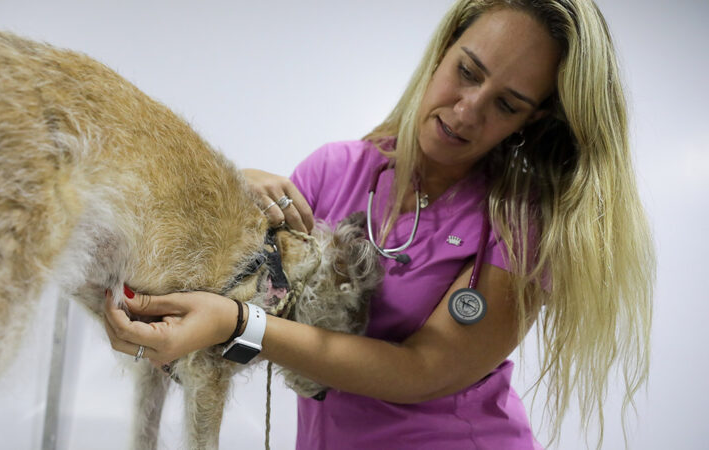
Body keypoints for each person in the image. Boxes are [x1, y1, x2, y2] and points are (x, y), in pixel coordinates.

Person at [104, 0, 655, 448]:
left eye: (506, 104)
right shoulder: (335, 170)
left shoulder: (520, 227)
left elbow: (423, 371)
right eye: (467, 72)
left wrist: (235, 324)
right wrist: (224, 188)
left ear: (532, 121)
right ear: (442, 50)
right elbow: (245, 292)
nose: (466, 111)